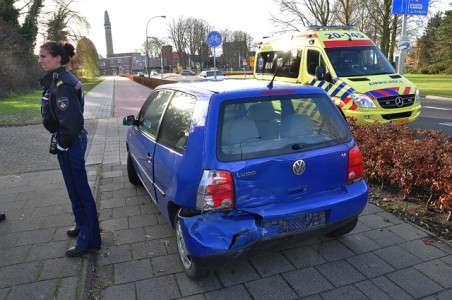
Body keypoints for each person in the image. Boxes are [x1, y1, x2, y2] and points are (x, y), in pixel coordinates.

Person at [38, 41, 101, 257]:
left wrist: (62, 144)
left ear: (57, 58)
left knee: (80, 190)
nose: (40, 60)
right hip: (68, 141)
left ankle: (90, 240)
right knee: (73, 189)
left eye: (43, 56)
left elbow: (73, 124)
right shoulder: (57, 80)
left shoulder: (62, 84)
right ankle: (82, 225)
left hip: (70, 142)